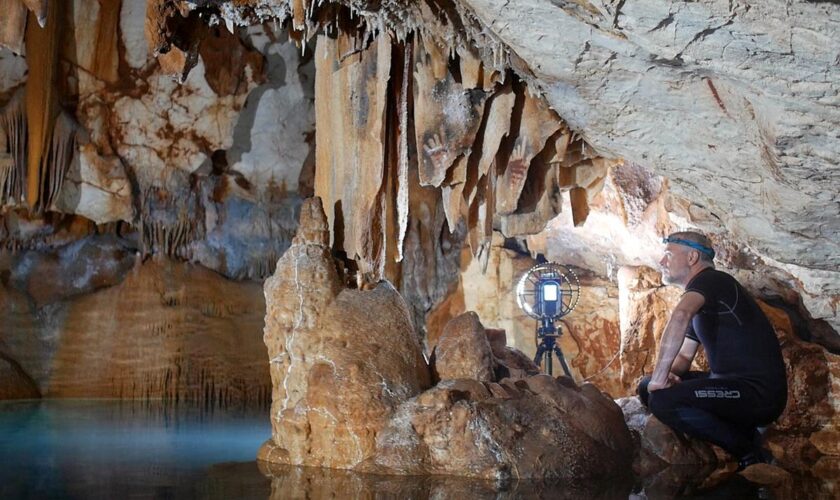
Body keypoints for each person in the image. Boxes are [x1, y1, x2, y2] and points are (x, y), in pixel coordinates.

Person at [637, 231, 787, 470]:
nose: (662, 262)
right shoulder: (706, 297)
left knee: (662, 400)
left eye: (668, 255)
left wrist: (660, 379)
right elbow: (685, 356)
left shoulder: (712, 281)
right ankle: (740, 432)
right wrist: (669, 376)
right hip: (729, 386)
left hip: (757, 394)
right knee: (646, 387)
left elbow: (681, 315)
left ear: (692, 257)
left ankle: (749, 451)